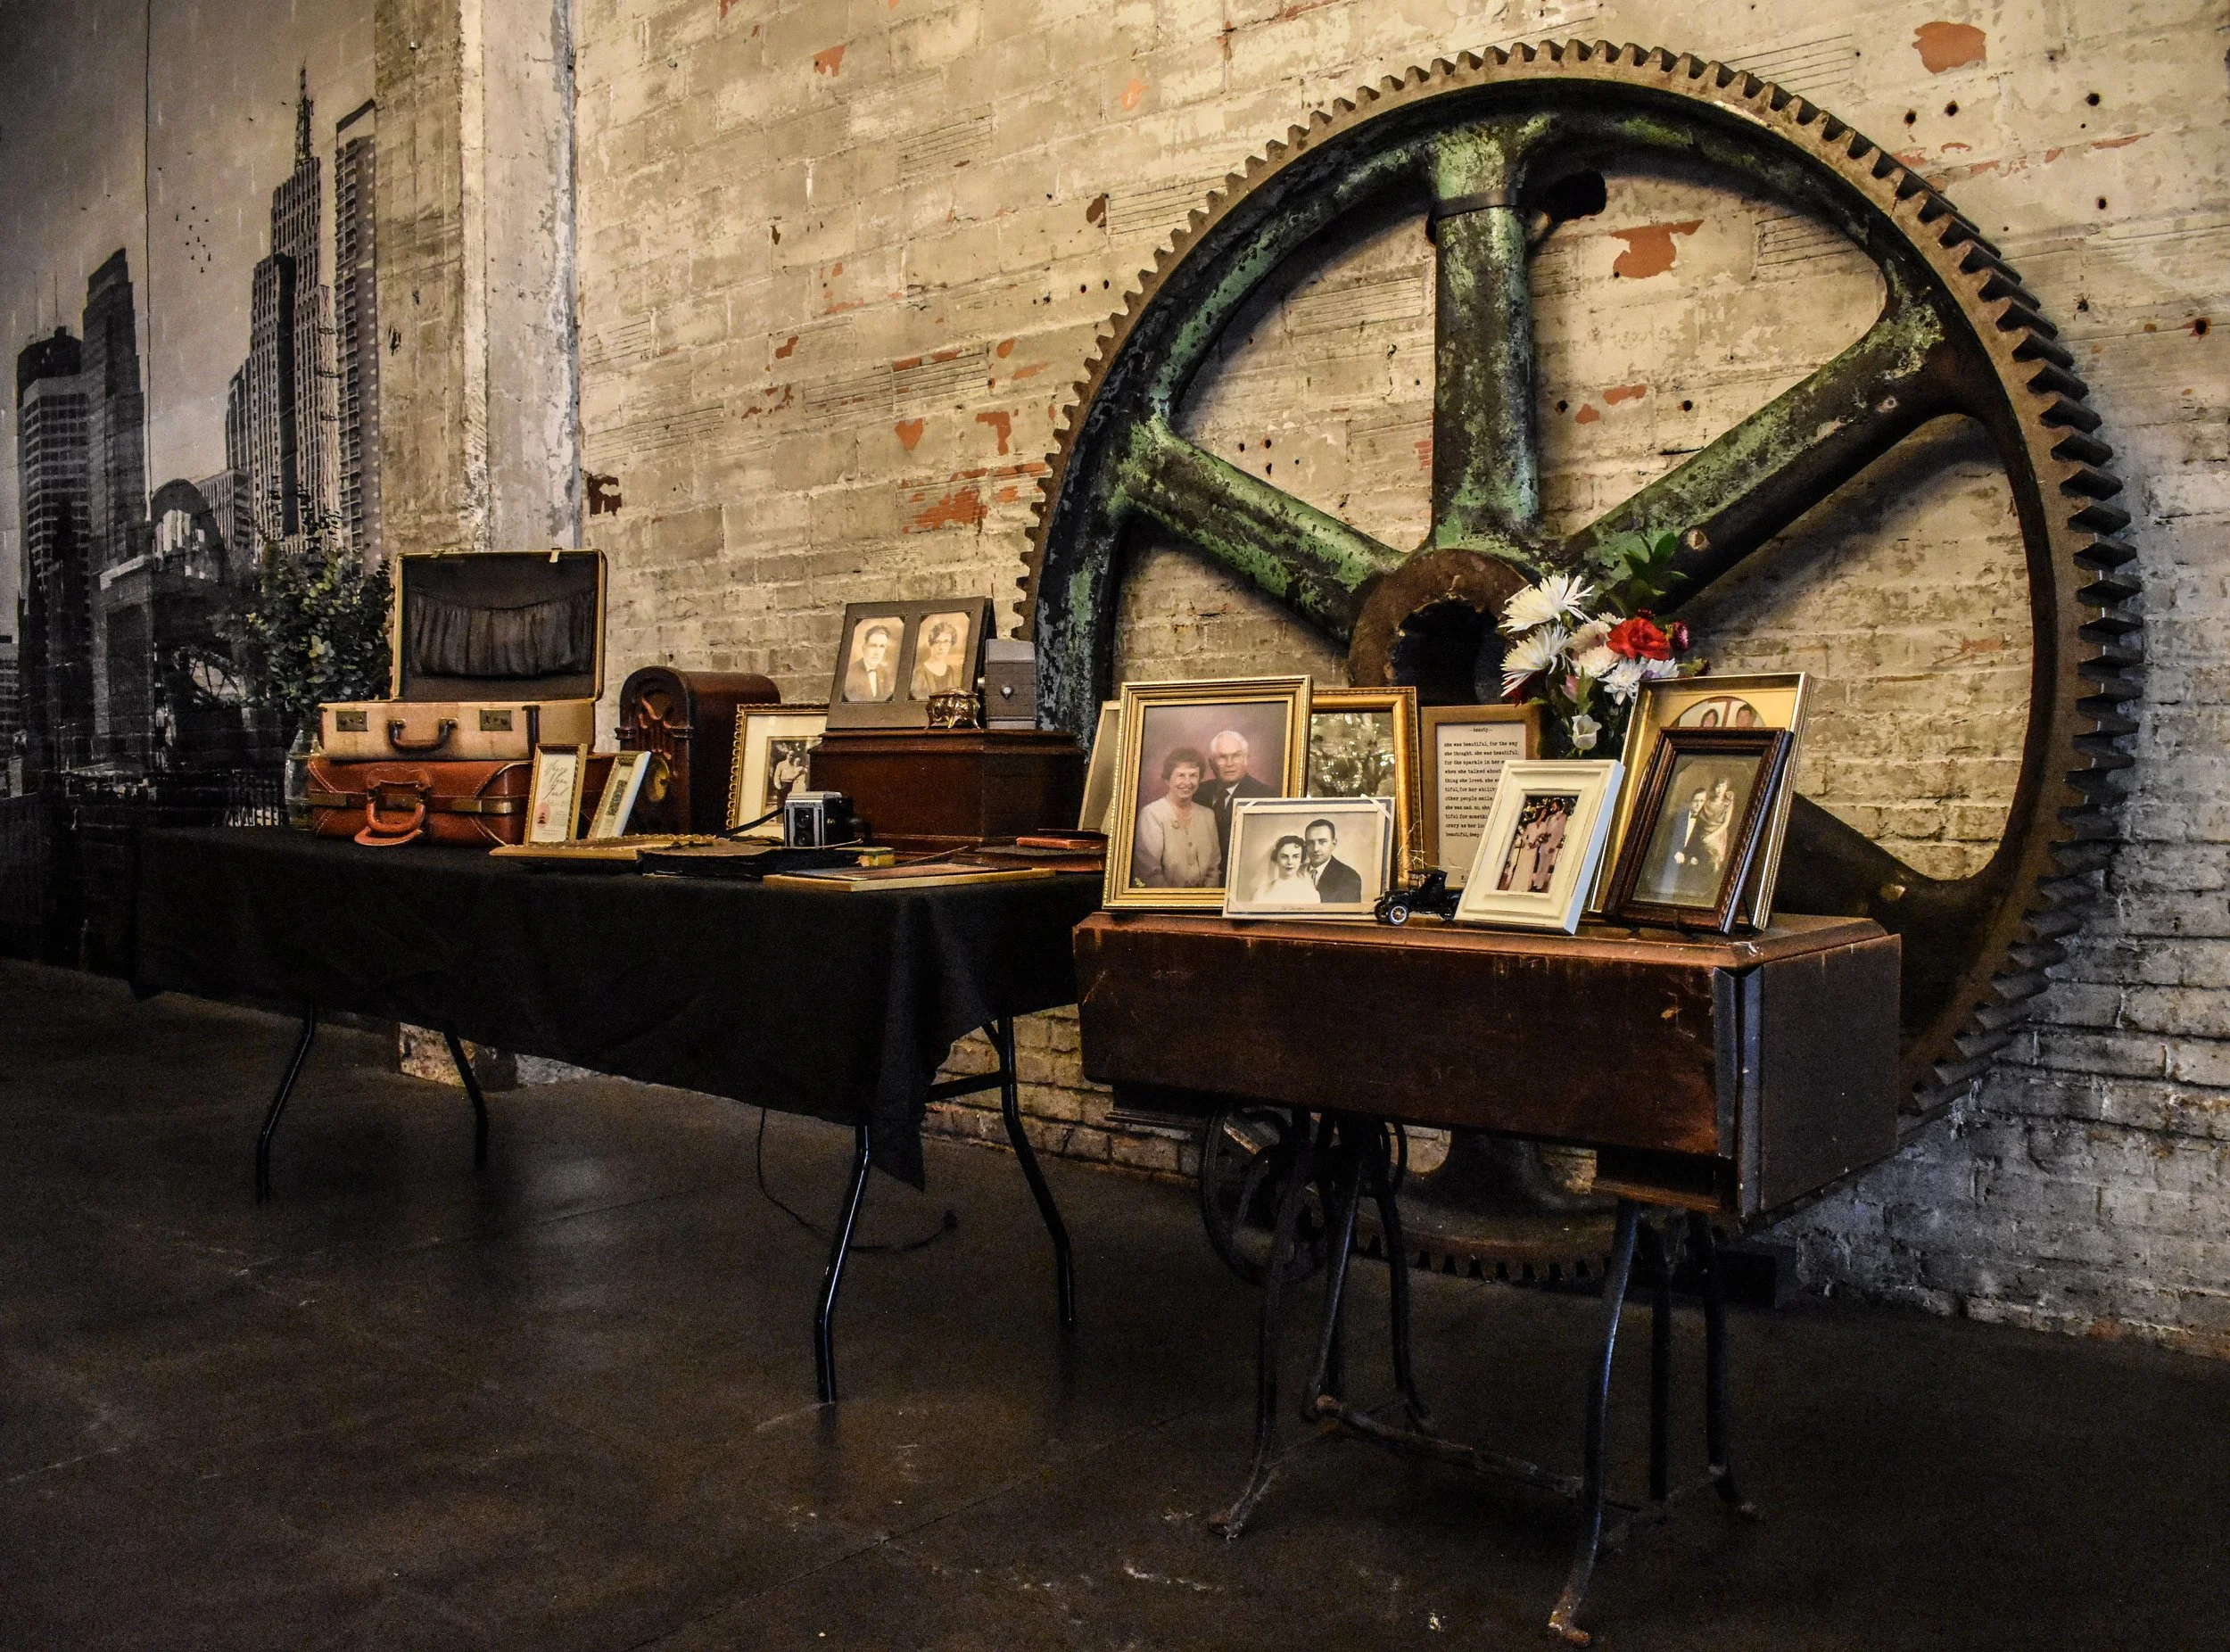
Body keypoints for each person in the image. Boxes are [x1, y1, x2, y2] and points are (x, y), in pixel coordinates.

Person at [1132, 747, 1221, 888]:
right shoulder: (1152, 814)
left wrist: (1204, 902)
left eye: (1193, 775)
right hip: (1164, 905)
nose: (1187, 782)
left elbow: (1213, 869)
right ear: (1168, 779)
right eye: (1181, 775)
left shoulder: (1208, 815)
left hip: (1204, 905)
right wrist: (1177, 904)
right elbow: (1149, 873)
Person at [1194, 729, 1274, 857]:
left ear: (1246, 759)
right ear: (1211, 763)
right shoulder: (1198, 792)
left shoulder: (1265, 796)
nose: (1229, 763)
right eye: (1222, 757)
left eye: (1236, 756)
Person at [1301, 817, 1363, 904]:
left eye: (1322, 842)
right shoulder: (1296, 872)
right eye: (1310, 843)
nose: (1316, 849)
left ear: (1333, 844)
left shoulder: (1349, 877)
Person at [911, 617, 969, 697]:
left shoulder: (950, 670)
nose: (941, 647)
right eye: (937, 642)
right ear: (931, 643)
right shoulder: (920, 673)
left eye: (946, 642)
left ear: (951, 643)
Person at [1257, 835, 1317, 904]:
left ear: (1301, 860)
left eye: (1295, 857)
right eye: (1284, 857)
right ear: (1276, 859)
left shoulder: (1309, 893)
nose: (1290, 862)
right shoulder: (1264, 892)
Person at [844, 623, 897, 702]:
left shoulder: (883, 671)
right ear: (864, 648)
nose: (877, 652)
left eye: (882, 646)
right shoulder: (850, 673)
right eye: (873, 646)